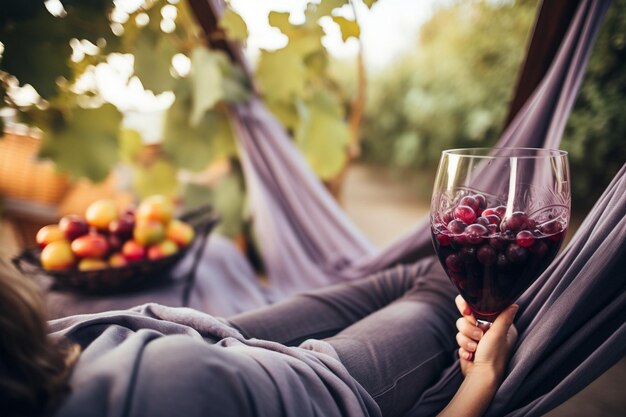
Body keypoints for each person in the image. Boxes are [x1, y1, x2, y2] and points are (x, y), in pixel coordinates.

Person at [0, 255, 517, 417]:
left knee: (411, 272)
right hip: (322, 381)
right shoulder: (160, 394)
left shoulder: (44, 354)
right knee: (441, 277)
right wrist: (483, 377)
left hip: (212, 340)